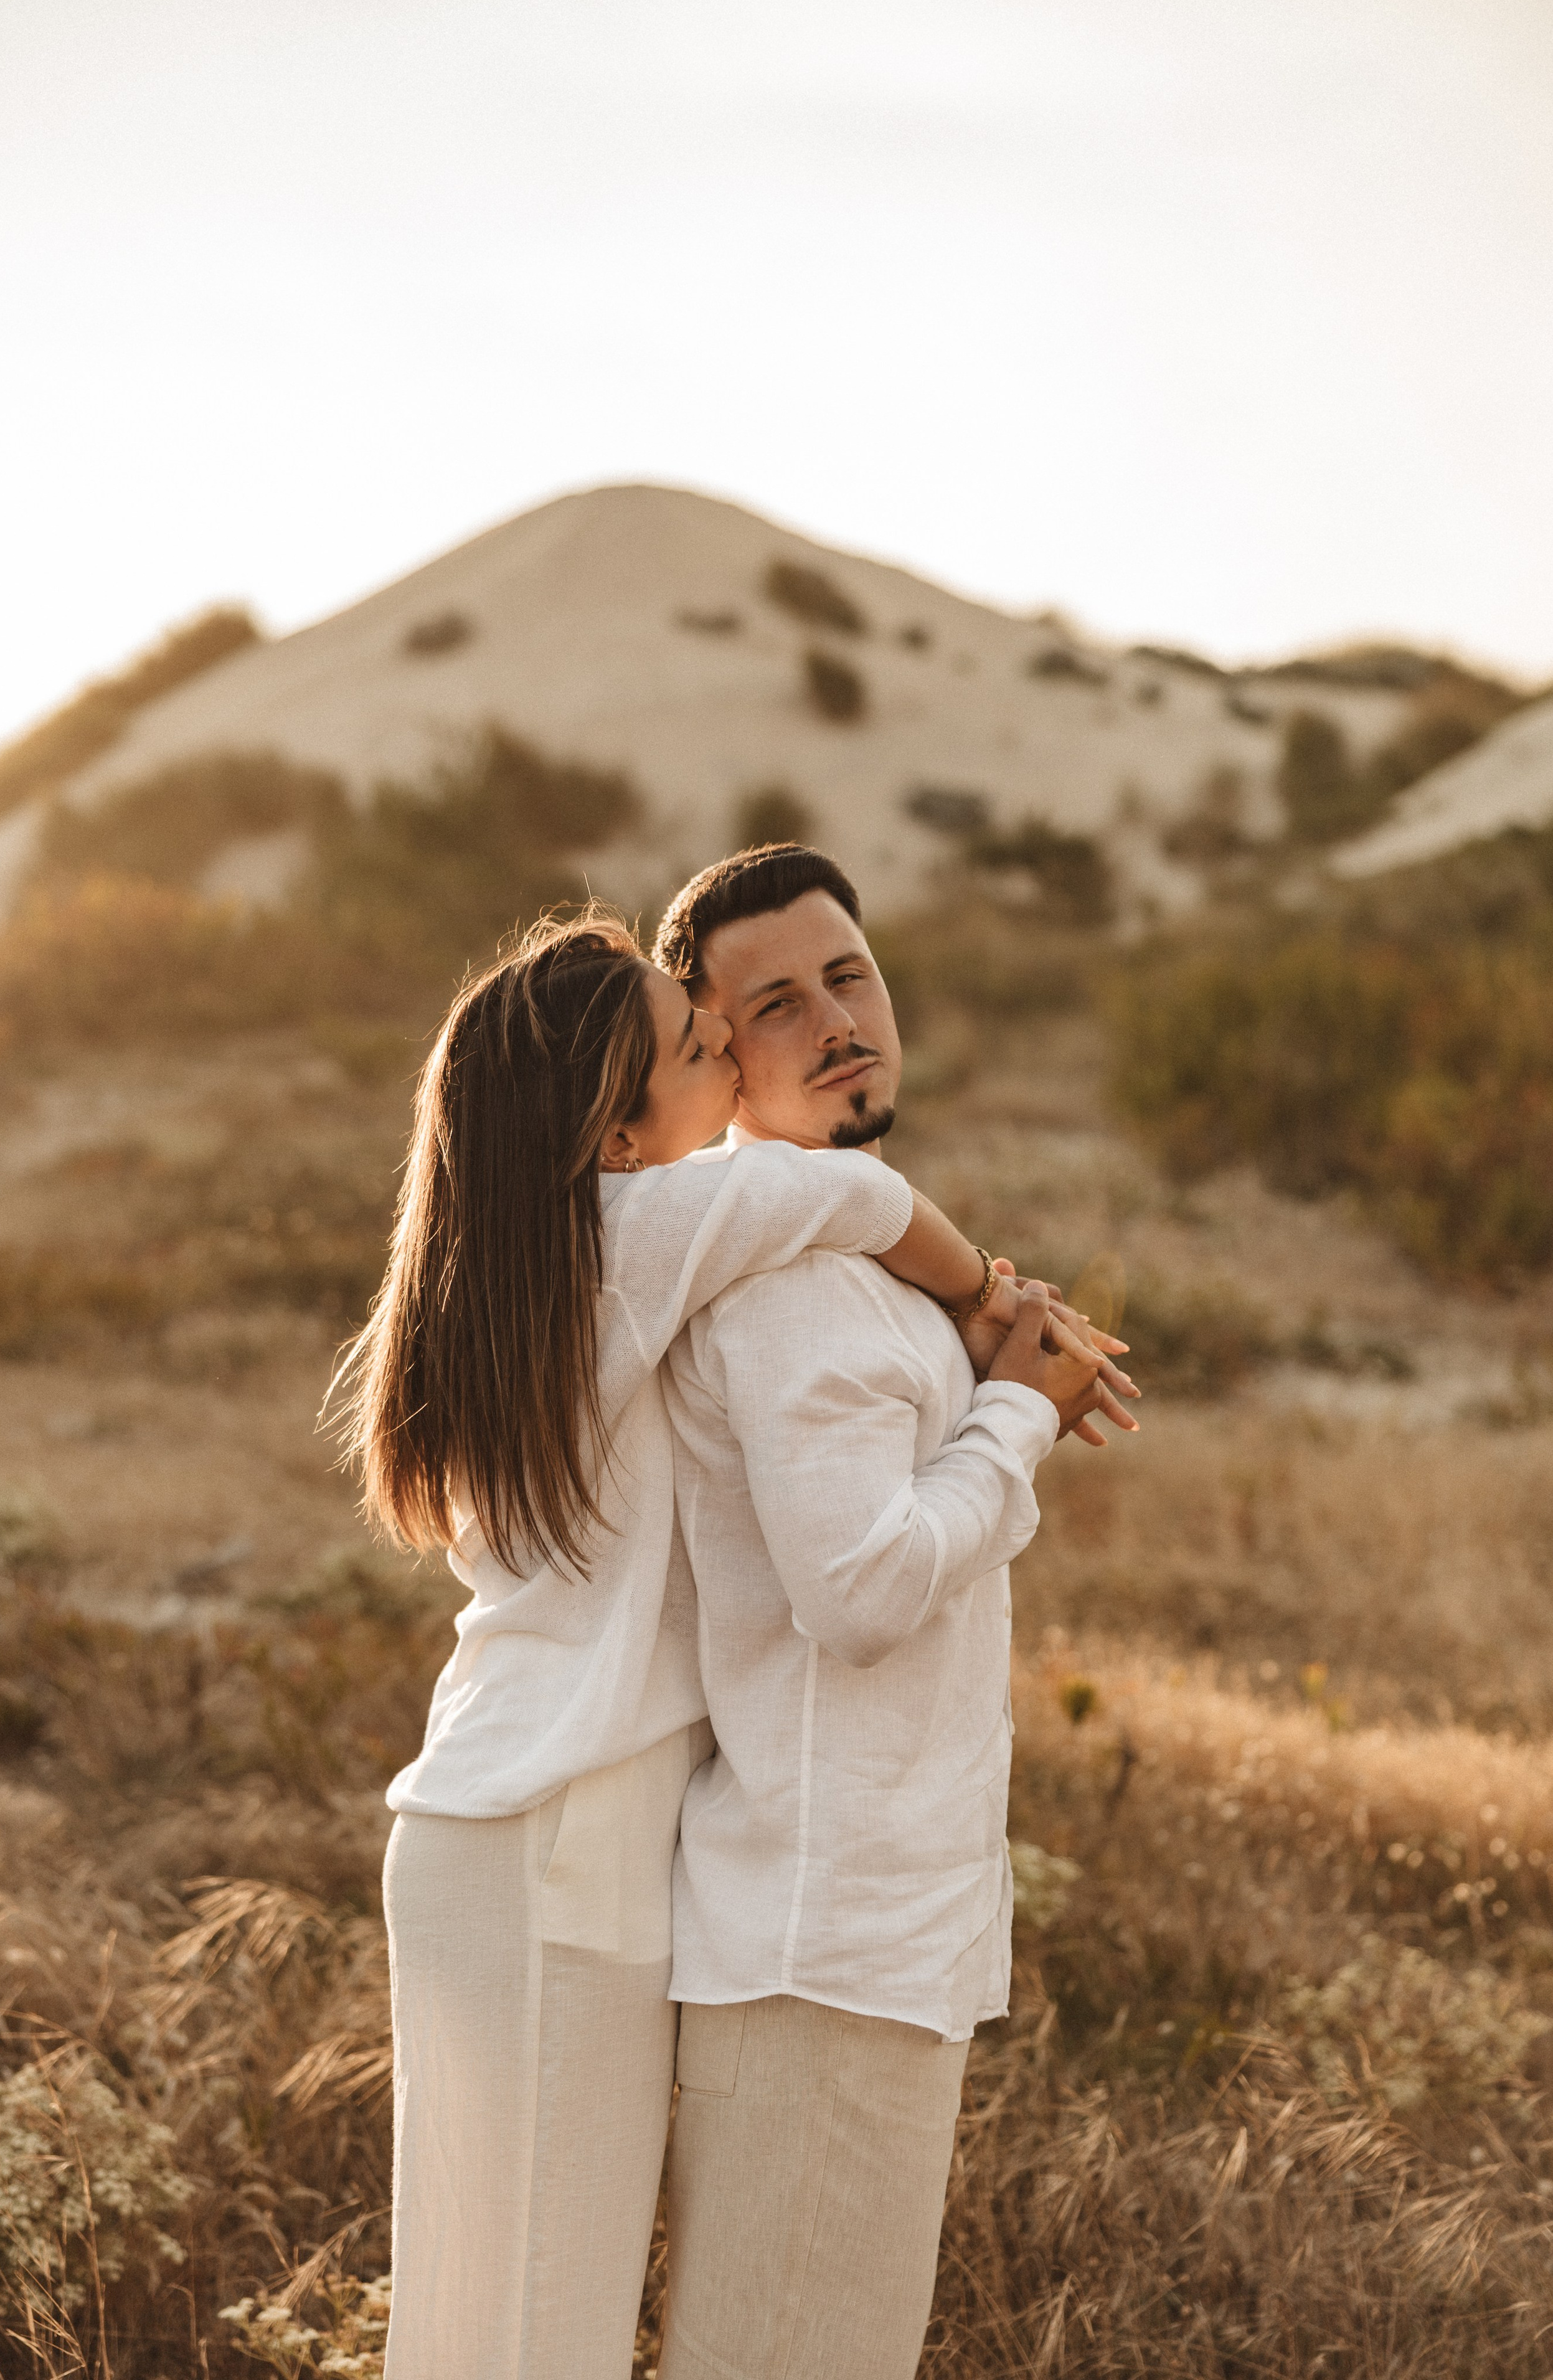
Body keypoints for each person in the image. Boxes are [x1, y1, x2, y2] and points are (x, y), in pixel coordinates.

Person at [332, 908, 1113, 2380]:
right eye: (697, 1046)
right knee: (524, 2344)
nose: (726, 1060)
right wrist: (992, 1305)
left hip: (521, 1830)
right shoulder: (650, 1226)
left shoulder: (536, 1256)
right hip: (550, 1842)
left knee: (488, 2331)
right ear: (613, 1137)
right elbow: (861, 1205)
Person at [651, 846, 1138, 2380]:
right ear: (715, 1058)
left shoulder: (845, 1253)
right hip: (821, 1949)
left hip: (856, 1937)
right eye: (776, 1005)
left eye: (847, 976)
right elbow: (856, 1590)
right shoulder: (792, 1282)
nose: (835, 1021)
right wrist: (1012, 1415)